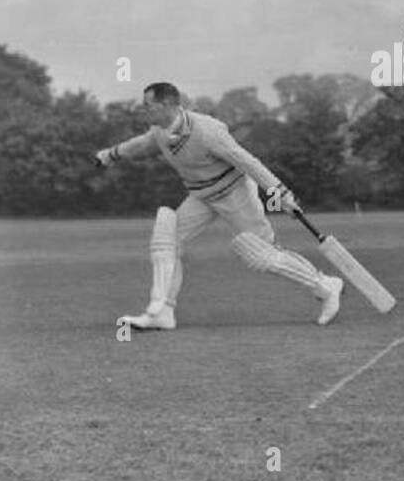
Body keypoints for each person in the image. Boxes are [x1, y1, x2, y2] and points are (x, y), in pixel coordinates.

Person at [94, 82, 342, 330]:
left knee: (262, 255)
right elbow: (143, 143)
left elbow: (248, 162)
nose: (143, 110)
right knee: (167, 242)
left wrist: (281, 195)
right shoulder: (160, 130)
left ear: (167, 105)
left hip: (235, 194)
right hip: (201, 197)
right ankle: (163, 312)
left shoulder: (207, 130)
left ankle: (325, 286)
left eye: (148, 105)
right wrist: (111, 154)